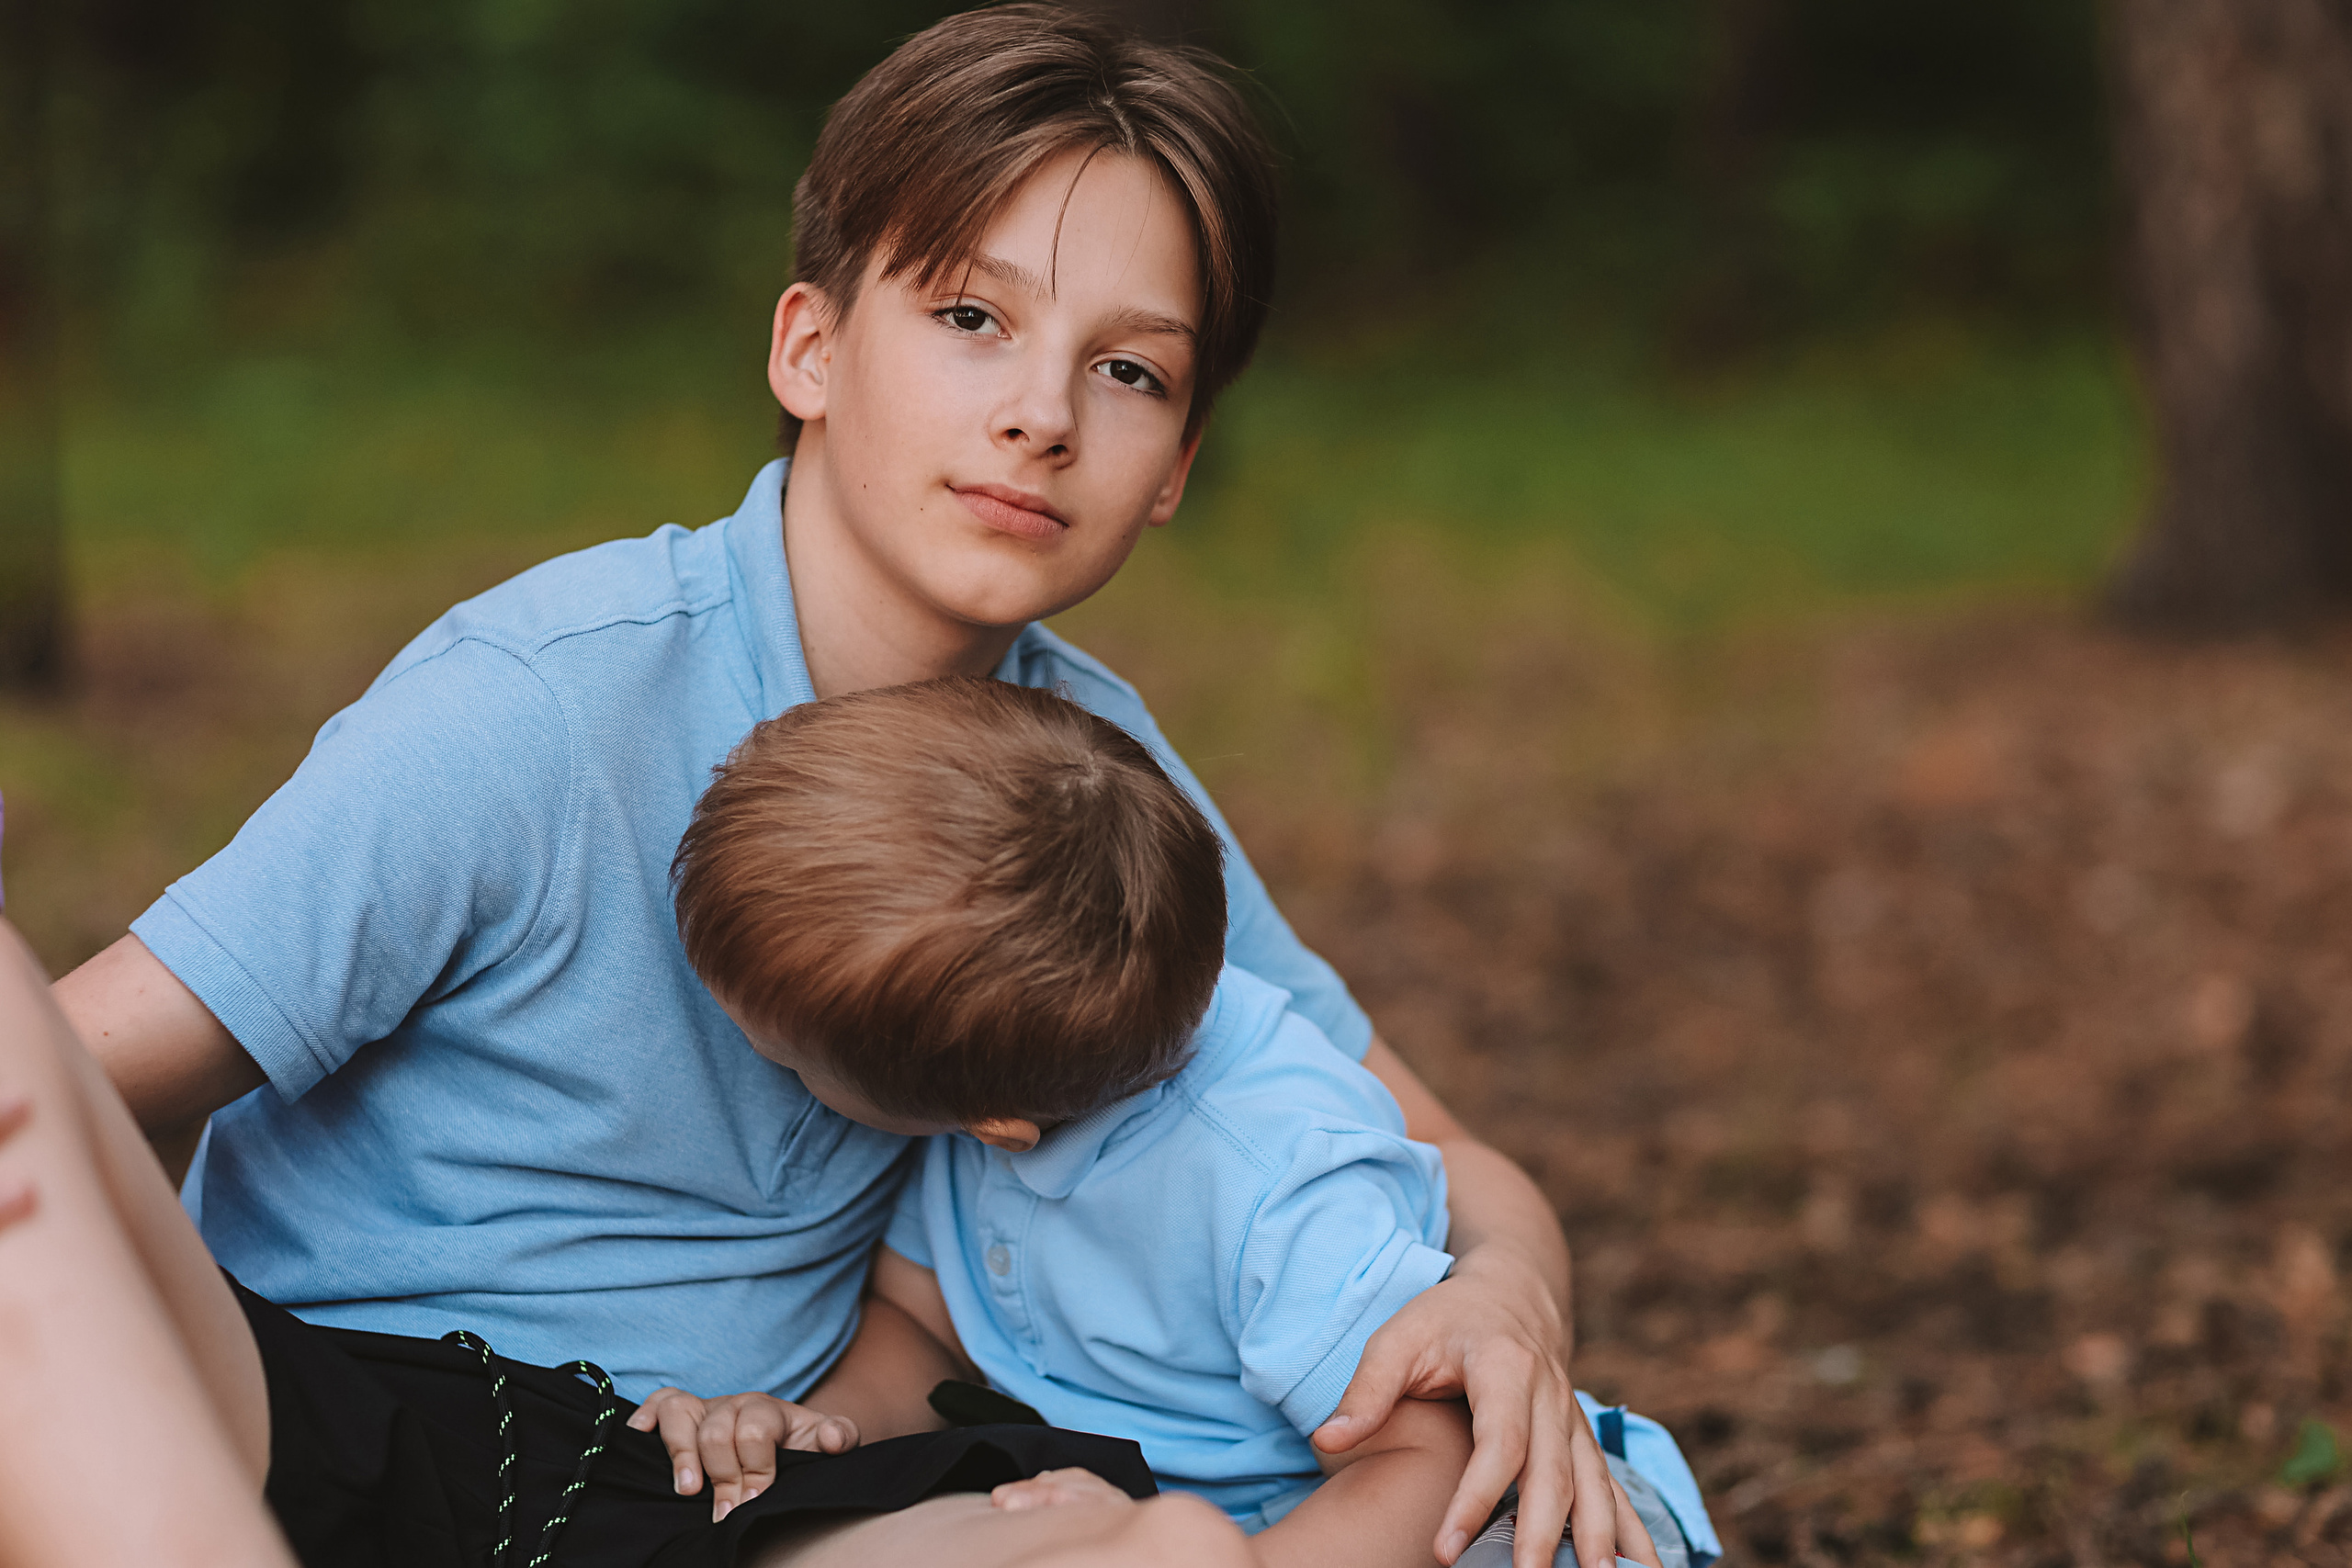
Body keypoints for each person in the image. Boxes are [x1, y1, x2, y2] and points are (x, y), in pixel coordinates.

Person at [53, 7, 1616, 1564]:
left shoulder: (1088, 796)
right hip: (354, 1420)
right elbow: (71, 1080)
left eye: (1129, 369)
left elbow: (1438, 1155)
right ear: (810, 345)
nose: (1044, 416)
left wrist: (1503, 1297)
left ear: (1178, 465)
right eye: (971, 319)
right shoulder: (542, 708)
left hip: (736, 1483)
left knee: (1175, 1547)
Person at [643, 676, 1701, 1568]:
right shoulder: (1017, 1063)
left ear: (995, 1124)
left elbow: (1420, 1464)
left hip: (1487, 1519)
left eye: (783, 1060)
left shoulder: (1273, 1178)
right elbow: (925, 1332)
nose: (762, 1069)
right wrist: (818, 1422)